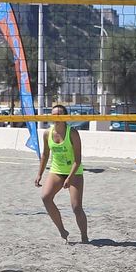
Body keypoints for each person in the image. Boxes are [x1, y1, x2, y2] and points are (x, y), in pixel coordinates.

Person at [34, 103, 88, 243]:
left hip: (74, 172)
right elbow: (45, 154)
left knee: (76, 207)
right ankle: (62, 230)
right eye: (54, 114)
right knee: (46, 197)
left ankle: (84, 236)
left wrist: (69, 179)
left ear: (65, 117)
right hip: (57, 170)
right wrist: (39, 174)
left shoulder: (73, 133)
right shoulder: (48, 133)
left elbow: (78, 160)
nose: (56, 117)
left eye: (59, 114)